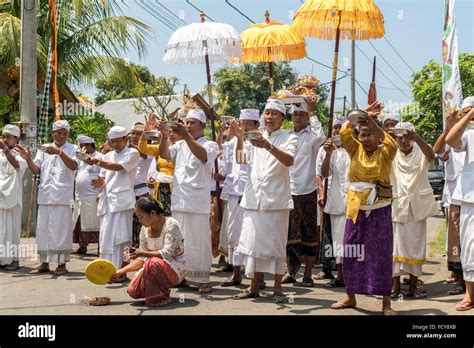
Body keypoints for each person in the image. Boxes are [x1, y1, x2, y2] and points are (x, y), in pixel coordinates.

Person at [330, 102, 398, 315]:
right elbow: (344, 131)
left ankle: (386, 302)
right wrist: (363, 115)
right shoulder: (354, 149)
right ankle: (350, 295)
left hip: (380, 209)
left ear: (378, 136)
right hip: (356, 209)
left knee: (381, 253)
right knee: (351, 251)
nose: (366, 139)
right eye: (363, 135)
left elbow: (392, 143)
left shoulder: (386, 152)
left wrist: (372, 123)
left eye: (370, 135)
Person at [232, 100, 298, 303]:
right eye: (267, 113)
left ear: (283, 119)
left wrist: (268, 146)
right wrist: (239, 138)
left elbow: (289, 161)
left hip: (276, 200)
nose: (269, 117)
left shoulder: (290, 137)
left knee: (276, 244)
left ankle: (278, 289)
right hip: (253, 199)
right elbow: (241, 159)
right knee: (252, 244)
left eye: (274, 114)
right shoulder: (255, 136)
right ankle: (253, 287)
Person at [158, 109, 219, 294]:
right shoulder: (181, 144)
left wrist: (185, 136)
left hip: (197, 202)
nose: (189, 125)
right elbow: (165, 155)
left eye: (193, 122)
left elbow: (203, 156)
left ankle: (203, 279)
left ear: (202, 125)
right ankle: (181, 276)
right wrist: (163, 135)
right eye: (187, 122)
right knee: (180, 241)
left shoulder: (211, 144)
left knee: (198, 241)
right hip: (179, 200)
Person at [18, 120, 79, 276]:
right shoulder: (43, 149)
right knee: (43, 230)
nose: (61, 136)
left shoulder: (73, 148)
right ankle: (44, 263)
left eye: (65, 133)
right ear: (52, 133)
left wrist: (60, 153)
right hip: (45, 196)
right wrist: (27, 159)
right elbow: (36, 170)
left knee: (61, 231)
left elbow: (74, 166)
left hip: (62, 197)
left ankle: (61, 264)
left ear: (68, 135)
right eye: (58, 133)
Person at [390, 122, 438, 299]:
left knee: (415, 247)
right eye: (399, 137)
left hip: (417, 207)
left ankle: (412, 288)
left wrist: (416, 137)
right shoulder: (392, 152)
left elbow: (432, 156)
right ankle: (394, 288)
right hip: (397, 206)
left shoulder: (421, 149)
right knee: (395, 248)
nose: (403, 141)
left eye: (406, 137)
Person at [109, 197, 185, 307]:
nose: (139, 221)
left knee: (152, 263)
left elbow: (166, 254)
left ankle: (162, 297)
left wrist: (142, 253)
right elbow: (141, 259)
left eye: (141, 217)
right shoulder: (144, 229)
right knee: (133, 291)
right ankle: (156, 291)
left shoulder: (171, 225)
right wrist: (119, 272)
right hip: (152, 266)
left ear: (152, 213)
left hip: (175, 267)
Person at [85, 126, 140, 276]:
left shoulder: (133, 153)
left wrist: (97, 162)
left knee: (122, 237)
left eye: (118, 141)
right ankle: (106, 270)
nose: (115, 144)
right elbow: (104, 176)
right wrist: (99, 183)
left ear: (125, 139)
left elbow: (119, 168)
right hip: (107, 200)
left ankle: (121, 271)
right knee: (106, 237)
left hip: (122, 202)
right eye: (112, 141)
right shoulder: (107, 156)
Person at [283, 100, 325, 286]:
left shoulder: (312, 136)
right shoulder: (285, 136)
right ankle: (290, 271)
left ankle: (307, 273)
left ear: (307, 117)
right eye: (295, 114)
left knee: (309, 233)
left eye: (302, 114)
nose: (298, 117)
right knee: (288, 233)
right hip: (288, 190)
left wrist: (312, 111)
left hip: (308, 190)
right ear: (291, 117)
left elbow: (321, 138)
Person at [219, 109, 260, 287]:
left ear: (256, 125)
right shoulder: (232, 142)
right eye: (241, 123)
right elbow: (226, 163)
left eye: (248, 124)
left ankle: (255, 277)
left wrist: (241, 137)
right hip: (234, 193)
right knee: (234, 234)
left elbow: (243, 158)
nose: (243, 127)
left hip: (252, 194)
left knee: (252, 236)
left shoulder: (260, 141)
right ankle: (236, 274)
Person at [446, 96, 474, 311]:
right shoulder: (468, 135)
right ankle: (469, 295)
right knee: (470, 249)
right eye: (465, 111)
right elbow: (450, 140)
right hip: (470, 200)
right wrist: (469, 116)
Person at [433, 109, 465, 295]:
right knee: (458, 241)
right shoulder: (452, 140)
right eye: (463, 114)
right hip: (457, 198)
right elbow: (438, 150)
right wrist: (448, 129)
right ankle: (461, 280)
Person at [321, 121, 350, 288]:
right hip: (337, 202)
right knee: (338, 241)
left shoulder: (358, 150)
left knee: (353, 242)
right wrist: (327, 153)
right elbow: (324, 173)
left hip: (355, 202)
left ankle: (354, 275)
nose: (339, 133)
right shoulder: (334, 153)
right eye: (337, 130)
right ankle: (340, 276)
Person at [139, 114, 179, 215]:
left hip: (177, 187)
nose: (171, 134)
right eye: (169, 131)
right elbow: (143, 148)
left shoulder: (186, 148)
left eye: (175, 131)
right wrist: (146, 131)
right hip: (160, 187)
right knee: (162, 218)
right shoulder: (164, 148)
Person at [0, 125, 27, 270]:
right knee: (1, 230)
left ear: (16, 139)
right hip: (1, 196)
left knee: (13, 230)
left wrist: (4, 149)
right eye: (4, 136)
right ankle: (2, 259)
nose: (5, 139)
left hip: (13, 197)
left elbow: (17, 165)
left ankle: (14, 260)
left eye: (8, 137)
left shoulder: (21, 153)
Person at [72, 135, 101, 255]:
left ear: (89, 146)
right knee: (79, 222)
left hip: (93, 196)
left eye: (83, 146)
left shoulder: (99, 157)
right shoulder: (80, 158)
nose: (82, 149)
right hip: (80, 196)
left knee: (95, 222)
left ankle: (101, 247)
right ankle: (82, 246)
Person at [129, 122, 153, 246]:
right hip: (129, 192)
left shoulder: (148, 149)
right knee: (131, 225)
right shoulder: (129, 151)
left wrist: (131, 145)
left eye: (138, 134)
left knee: (142, 223)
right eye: (132, 133)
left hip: (142, 192)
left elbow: (143, 153)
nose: (134, 136)